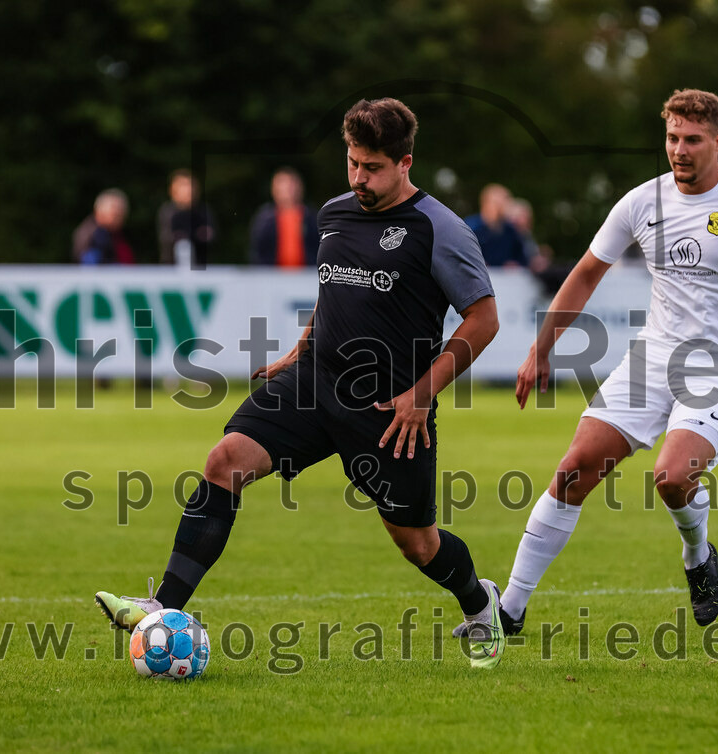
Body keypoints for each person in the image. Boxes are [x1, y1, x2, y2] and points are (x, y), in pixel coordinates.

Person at [96, 97, 507, 668]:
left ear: (405, 162)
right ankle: (163, 609)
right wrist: (301, 347)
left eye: (372, 167)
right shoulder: (335, 214)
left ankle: (478, 602)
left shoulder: (440, 229)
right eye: (352, 162)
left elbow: (483, 319)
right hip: (315, 382)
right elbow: (335, 291)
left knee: (417, 542)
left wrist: (422, 393)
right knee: (225, 460)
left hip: (388, 408)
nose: (358, 177)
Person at [454, 89, 718, 638]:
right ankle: (508, 610)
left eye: (693, 140)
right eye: (673, 138)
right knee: (572, 470)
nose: (680, 149)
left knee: (673, 478)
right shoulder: (640, 202)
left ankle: (698, 556)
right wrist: (541, 350)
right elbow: (585, 273)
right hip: (652, 357)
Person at [249, 167, 320, 266]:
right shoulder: (264, 219)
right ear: (274, 189)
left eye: (291, 186)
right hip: (271, 276)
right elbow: (258, 251)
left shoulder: (312, 216)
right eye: (283, 186)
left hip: (307, 276)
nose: (288, 191)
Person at [157, 169, 217, 266]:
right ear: (173, 190)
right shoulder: (167, 211)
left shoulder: (204, 211)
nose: (188, 190)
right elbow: (169, 238)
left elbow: (211, 237)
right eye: (183, 186)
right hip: (171, 268)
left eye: (190, 186)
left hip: (201, 268)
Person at [465, 184, 529, 267]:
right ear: (488, 204)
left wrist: (515, 264)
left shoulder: (511, 231)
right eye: (499, 203)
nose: (506, 206)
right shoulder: (471, 227)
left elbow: (522, 259)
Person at [72, 189, 135, 265]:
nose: (120, 217)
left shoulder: (116, 233)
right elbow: (92, 266)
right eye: (115, 214)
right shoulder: (93, 235)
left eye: (122, 213)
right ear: (99, 211)